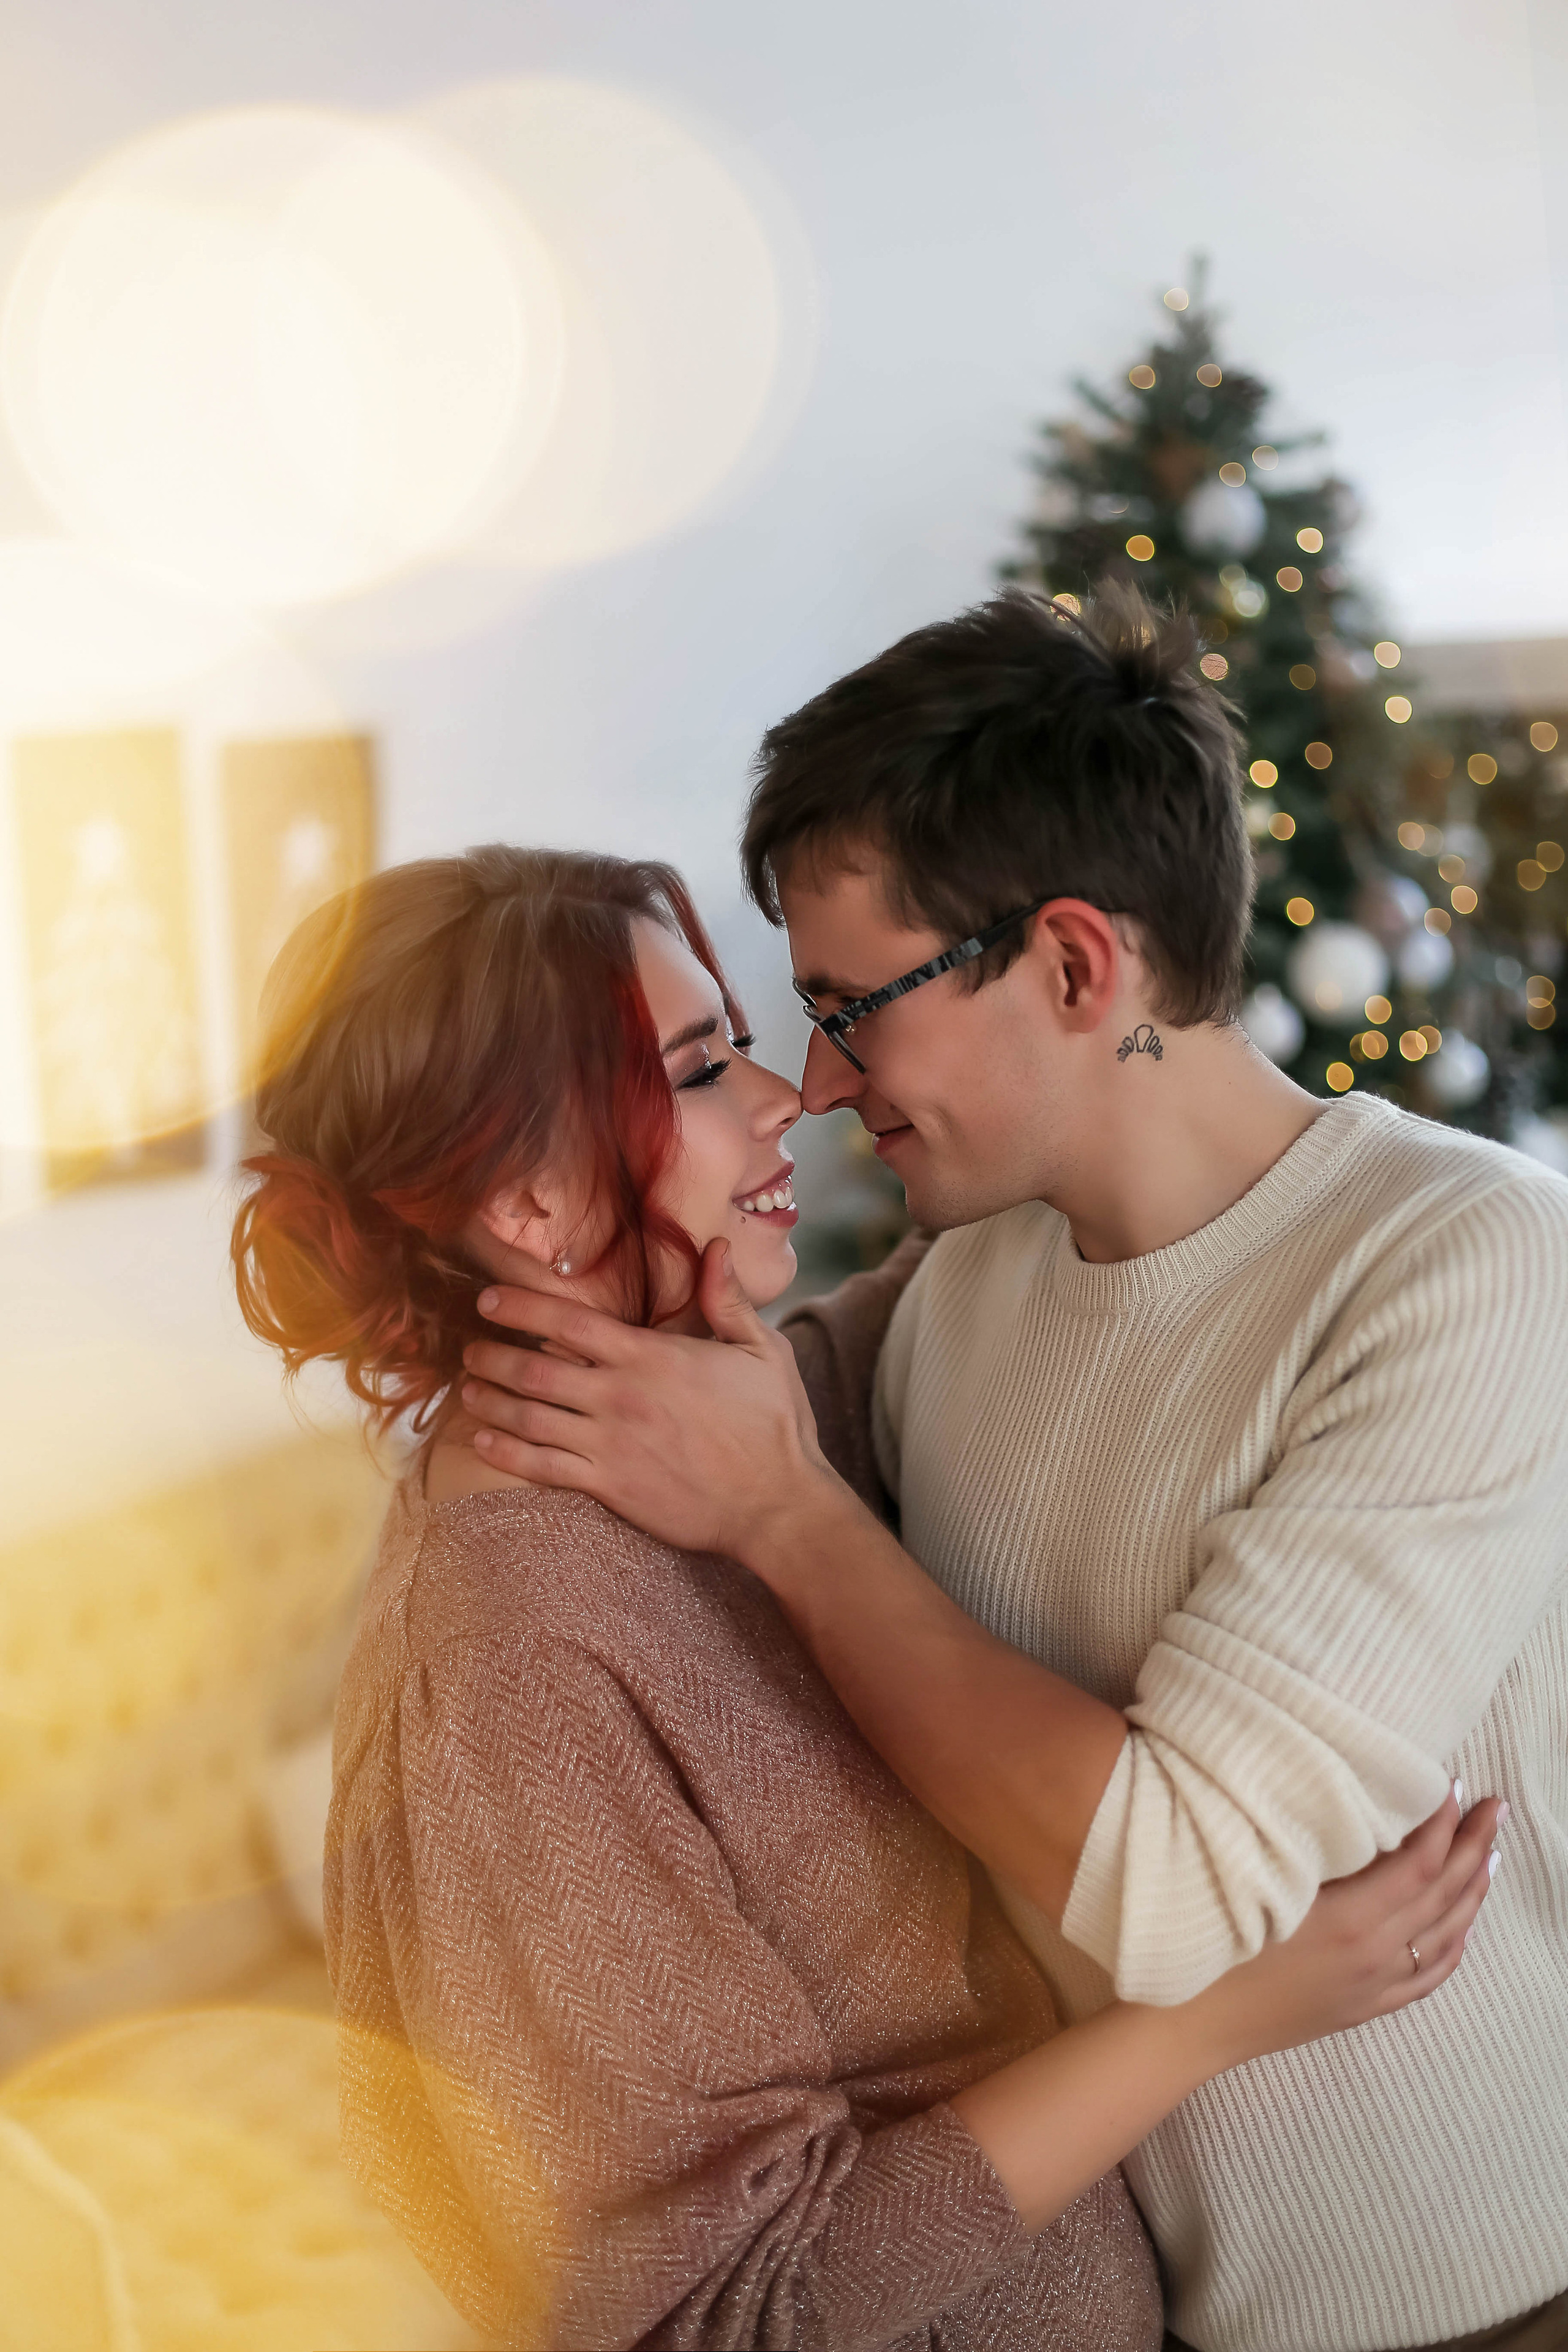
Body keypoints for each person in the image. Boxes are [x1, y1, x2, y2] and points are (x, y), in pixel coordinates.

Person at [457, 590, 1568, 2352]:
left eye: (850, 1009)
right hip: (1152, 2304)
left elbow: (1187, 1895)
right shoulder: (973, 1270)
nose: (815, 1084)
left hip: (1477, 2304)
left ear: (1072, 965)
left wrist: (792, 1521)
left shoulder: (1466, 1264)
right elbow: (670, 1409)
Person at [230, 843, 1496, 2352]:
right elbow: (716, 2313)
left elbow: (997, 1251)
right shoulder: (515, 1665)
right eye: (704, 1067)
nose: (791, 1098)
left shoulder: (730, 1421)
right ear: (528, 1196)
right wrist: (1209, 2022)